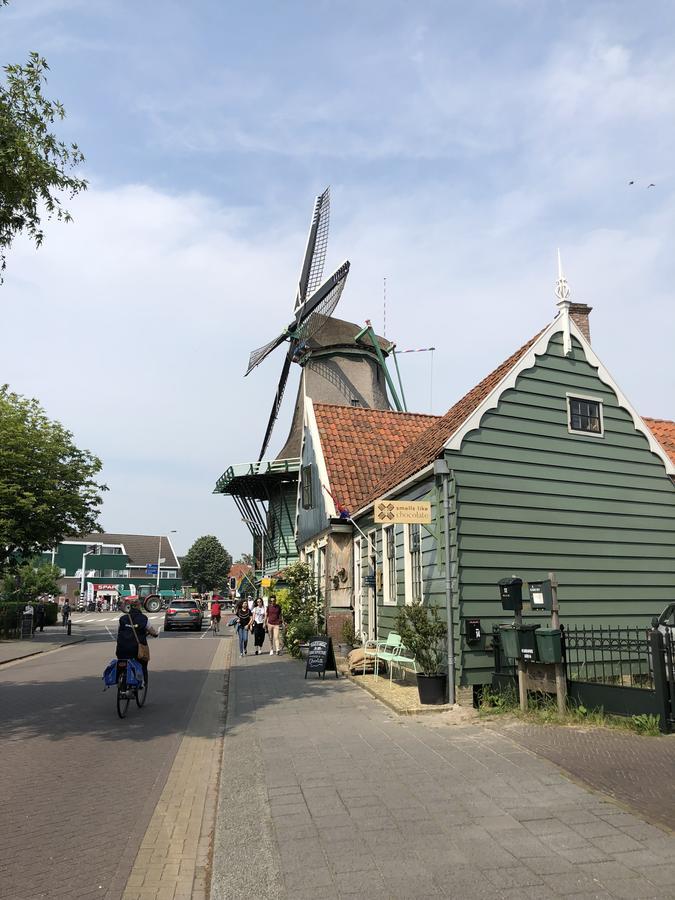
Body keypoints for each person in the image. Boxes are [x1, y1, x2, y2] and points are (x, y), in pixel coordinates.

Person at [116, 597, 158, 683]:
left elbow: (119, 631)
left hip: (121, 648)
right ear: (139, 606)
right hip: (137, 650)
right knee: (143, 663)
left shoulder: (123, 618)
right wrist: (155, 634)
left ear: (130, 607)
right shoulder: (143, 618)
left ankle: (119, 680)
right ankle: (143, 682)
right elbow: (152, 631)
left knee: (121, 661)